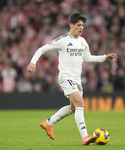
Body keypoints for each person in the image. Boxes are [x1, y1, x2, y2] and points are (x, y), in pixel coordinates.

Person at [27, 12, 117, 145]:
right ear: (71, 25)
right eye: (79, 25)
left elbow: (87, 57)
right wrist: (33, 62)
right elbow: (42, 49)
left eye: (83, 25)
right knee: (80, 103)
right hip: (65, 77)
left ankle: (48, 123)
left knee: (74, 108)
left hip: (77, 79)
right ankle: (85, 136)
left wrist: (104, 57)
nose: (81, 28)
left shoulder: (82, 41)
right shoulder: (62, 40)